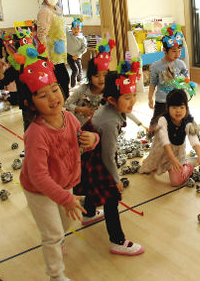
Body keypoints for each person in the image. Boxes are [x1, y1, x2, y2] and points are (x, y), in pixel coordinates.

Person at [19, 52, 99, 281]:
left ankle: (58, 240)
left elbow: (80, 141)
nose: (53, 97)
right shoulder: (36, 133)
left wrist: (93, 140)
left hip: (65, 183)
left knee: (64, 226)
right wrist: (65, 199)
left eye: (55, 89)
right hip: (39, 190)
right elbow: (37, 176)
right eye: (42, 95)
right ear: (30, 103)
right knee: (52, 235)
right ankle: (56, 275)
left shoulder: (69, 117)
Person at [73, 58, 144, 256]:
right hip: (96, 157)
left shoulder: (110, 107)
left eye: (134, 95)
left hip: (89, 154)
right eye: (127, 98)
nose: (132, 102)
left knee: (87, 183)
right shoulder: (110, 122)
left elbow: (126, 112)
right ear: (112, 100)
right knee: (111, 199)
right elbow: (107, 155)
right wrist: (116, 179)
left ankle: (88, 214)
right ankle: (117, 240)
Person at [140, 87, 200, 186]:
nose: (178, 111)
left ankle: (189, 165)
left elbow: (194, 140)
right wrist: (171, 159)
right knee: (148, 169)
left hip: (177, 152)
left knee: (176, 181)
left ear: (186, 108)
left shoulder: (188, 122)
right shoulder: (163, 120)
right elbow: (165, 141)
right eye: (174, 107)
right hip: (162, 150)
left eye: (182, 107)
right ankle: (161, 162)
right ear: (168, 108)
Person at [148, 24, 189, 132]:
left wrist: (186, 88)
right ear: (165, 50)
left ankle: (183, 133)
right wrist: (149, 98)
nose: (177, 54)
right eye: (174, 51)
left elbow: (186, 79)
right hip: (162, 100)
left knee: (181, 118)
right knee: (156, 120)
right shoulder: (156, 66)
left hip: (176, 99)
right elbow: (152, 83)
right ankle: (151, 135)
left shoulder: (181, 64)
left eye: (179, 50)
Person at [37, 0, 69, 99]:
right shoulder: (45, 11)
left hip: (59, 50)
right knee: (61, 80)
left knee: (63, 79)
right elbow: (41, 35)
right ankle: (63, 105)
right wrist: (45, 57)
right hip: (51, 54)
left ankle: (64, 104)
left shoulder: (57, 9)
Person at [66, 16, 87, 88]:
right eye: (74, 28)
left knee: (80, 70)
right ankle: (73, 85)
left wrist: (78, 55)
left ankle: (79, 81)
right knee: (75, 70)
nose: (76, 30)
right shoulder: (69, 34)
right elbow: (65, 26)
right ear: (72, 28)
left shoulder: (82, 38)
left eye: (78, 28)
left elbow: (84, 48)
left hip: (78, 56)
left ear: (80, 29)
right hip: (69, 56)